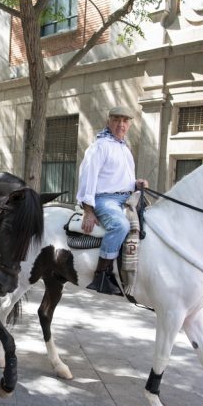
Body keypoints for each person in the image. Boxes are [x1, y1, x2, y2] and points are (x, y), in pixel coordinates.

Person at [76, 105, 149, 296]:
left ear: (129, 125)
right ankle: (101, 276)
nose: (120, 124)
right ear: (108, 121)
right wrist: (88, 211)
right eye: (116, 120)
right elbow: (88, 178)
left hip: (127, 198)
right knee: (120, 226)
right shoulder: (100, 146)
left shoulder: (124, 148)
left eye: (125, 121)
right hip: (104, 199)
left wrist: (136, 183)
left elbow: (119, 178)